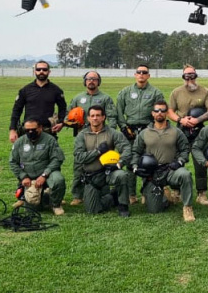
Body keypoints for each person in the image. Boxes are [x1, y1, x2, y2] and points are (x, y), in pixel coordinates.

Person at [130, 101, 195, 222]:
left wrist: (180, 162)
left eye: (162, 110)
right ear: (152, 113)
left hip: (170, 169)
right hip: (152, 172)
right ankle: (164, 196)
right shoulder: (144, 133)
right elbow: (135, 151)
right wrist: (135, 167)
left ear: (166, 113)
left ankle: (187, 207)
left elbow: (185, 149)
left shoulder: (176, 132)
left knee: (185, 175)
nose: (159, 113)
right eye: (157, 110)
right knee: (154, 210)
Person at [115, 64, 165, 205]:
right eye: (139, 72)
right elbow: (119, 111)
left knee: (147, 162)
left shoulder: (156, 93)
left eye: (144, 72)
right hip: (129, 131)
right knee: (131, 163)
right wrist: (124, 127)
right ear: (135, 74)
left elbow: (160, 112)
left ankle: (146, 192)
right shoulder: (125, 92)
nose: (141, 74)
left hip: (147, 131)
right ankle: (131, 194)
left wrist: (151, 129)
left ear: (149, 75)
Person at [168, 65, 208, 205]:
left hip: (199, 131)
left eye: (192, 75)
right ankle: (176, 191)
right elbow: (170, 111)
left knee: (200, 161)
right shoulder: (176, 92)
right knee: (177, 159)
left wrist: (198, 119)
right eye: (186, 75)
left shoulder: (205, 91)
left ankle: (201, 193)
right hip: (181, 130)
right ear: (183, 77)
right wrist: (180, 119)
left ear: (196, 75)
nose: (189, 78)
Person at [66, 70, 116, 206]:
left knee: (102, 163)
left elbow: (111, 117)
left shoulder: (106, 98)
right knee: (79, 164)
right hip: (83, 136)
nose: (91, 81)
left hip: (101, 135)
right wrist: (71, 122)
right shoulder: (78, 98)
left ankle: (103, 190)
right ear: (84, 81)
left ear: (98, 81)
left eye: (94, 79)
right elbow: (68, 116)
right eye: (88, 79)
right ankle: (77, 195)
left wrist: (110, 134)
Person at [73, 105, 133, 217]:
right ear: (88, 118)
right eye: (92, 116)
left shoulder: (113, 133)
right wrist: (98, 151)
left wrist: (119, 164)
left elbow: (127, 149)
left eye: (98, 115)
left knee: (122, 175)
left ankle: (123, 205)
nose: (95, 118)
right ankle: (113, 197)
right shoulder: (82, 135)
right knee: (93, 210)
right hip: (92, 176)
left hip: (109, 172)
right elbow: (79, 157)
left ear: (103, 117)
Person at [9, 118, 66, 215]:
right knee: (34, 209)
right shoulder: (20, 142)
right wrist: (23, 176)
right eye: (27, 130)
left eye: (33, 129)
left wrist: (44, 175)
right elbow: (13, 162)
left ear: (40, 128)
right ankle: (42, 196)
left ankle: (56, 205)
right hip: (29, 176)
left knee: (58, 180)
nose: (30, 132)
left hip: (48, 172)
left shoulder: (50, 140)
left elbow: (57, 159)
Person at [9, 60, 66, 143]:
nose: (41, 71)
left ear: (49, 72)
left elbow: (63, 108)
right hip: (28, 131)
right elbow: (16, 111)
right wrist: (12, 130)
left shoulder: (56, 90)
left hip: (48, 131)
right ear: (34, 71)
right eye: (38, 69)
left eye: (44, 69)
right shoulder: (25, 90)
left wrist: (61, 123)